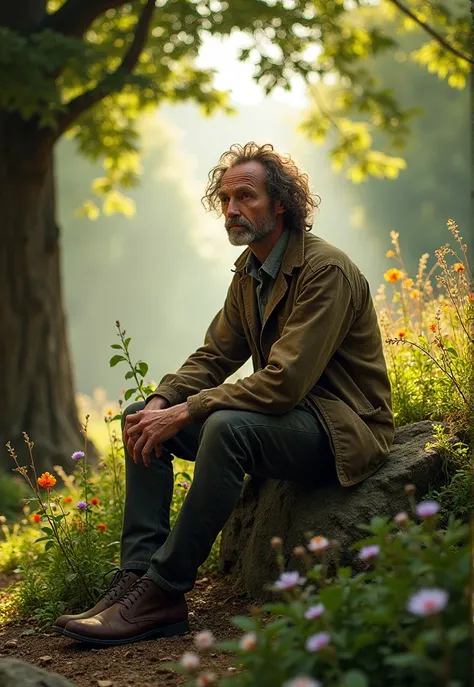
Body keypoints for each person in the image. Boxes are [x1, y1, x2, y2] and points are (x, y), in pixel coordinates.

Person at [53, 142, 394, 646]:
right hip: (288, 419)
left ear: (280, 204)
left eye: (246, 197)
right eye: (225, 199)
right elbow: (214, 356)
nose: (232, 210)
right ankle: (135, 580)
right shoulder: (250, 272)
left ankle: (165, 589)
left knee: (225, 426)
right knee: (140, 418)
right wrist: (162, 403)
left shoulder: (326, 270)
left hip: (342, 429)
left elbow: (284, 382)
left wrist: (192, 408)